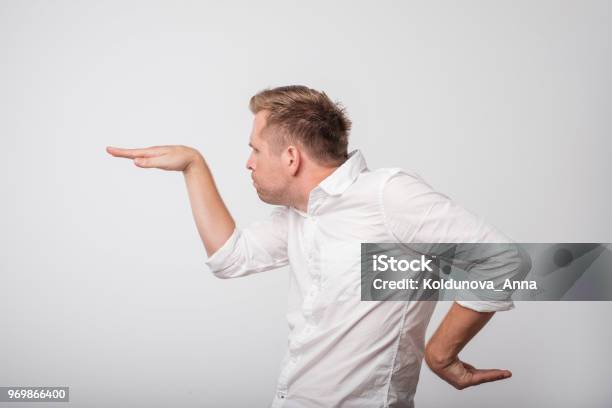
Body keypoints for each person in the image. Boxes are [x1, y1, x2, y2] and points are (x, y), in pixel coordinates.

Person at [106, 85, 523, 407]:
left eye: (254, 149)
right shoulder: (300, 215)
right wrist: (193, 166)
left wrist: (440, 353)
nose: (249, 162)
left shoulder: (386, 194)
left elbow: (501, 260)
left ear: (290, 158)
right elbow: (230, 259)